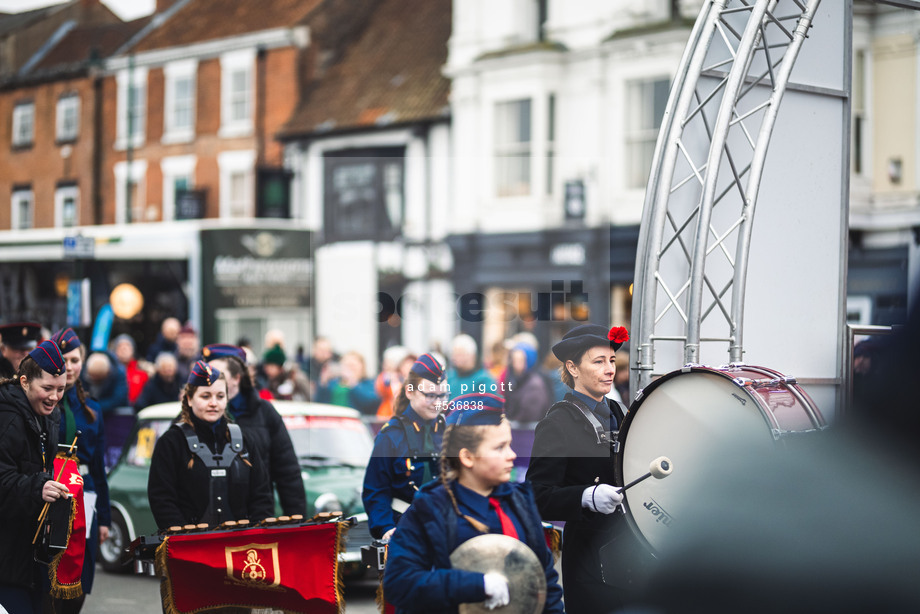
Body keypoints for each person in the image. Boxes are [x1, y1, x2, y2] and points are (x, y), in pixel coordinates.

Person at [383, 393, 564, 614]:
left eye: (510, 444)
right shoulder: (429, 508)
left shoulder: (520, 502)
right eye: (499, 448)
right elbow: (399, 582)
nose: (512, 455)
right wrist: (477, 586)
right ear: (467, 457)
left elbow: (544, 581)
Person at [527, 323, 646, 614]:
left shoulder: (620, 412)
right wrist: (586, 496)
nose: (610, 370)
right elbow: (536, 495)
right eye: (599, 362)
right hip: (590, 562)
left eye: (612, 361)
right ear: (573, 368)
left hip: (631, 553)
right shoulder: (557, 423)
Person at [147, 361, 274, 530]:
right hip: (190, 547)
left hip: (241, 546)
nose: (214, 403)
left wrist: (255, 534)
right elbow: (162, 499)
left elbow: (262, 497)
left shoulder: (245, 441)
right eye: (205, 396)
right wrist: (185, 539)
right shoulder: (171, 442)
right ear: (190, 399)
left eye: (220, 396)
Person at [0, 340, 68, 614]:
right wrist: (38, 488)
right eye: (47, 388)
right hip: (6, 556)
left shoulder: (48, 416)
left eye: (61, 389)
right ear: (25, 381)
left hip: (29, 551)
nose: (54, 397)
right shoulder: (8, 419)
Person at [47, 328, 110, 614]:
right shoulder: (43, 403)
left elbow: (98, 469)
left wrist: (105, 519)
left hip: (86, 500)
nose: (68, 367)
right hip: (50, 495)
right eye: (63, 360)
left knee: (80, 583)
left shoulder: (92, 410)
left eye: (74, 360)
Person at [201, 343, 306, 516]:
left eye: (218, 374)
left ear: (237, 377)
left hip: (255, 520)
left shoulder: (264, 413)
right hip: (204, 524)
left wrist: (296, 522)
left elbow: (287, 473)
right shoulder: (192, 414)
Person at [362, 353, 448, 540]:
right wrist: (385, 528)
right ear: (410, 392)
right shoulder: (390, 435)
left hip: (445, 530)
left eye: (442, 395)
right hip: (404, 530)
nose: (437, 403)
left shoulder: (448, 431)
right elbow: (375, 490)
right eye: (430, 395)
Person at [316, 350, 380, 415]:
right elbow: (319, 403)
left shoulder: (368, 383)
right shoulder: (333, 383)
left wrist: (353, 383)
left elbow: (371, 404)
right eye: (346, 365)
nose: (349, 369)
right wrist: (323, 382)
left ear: (362, 367)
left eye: (352, 366)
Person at [503, 342, 554, 423]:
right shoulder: (513, 379)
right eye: (514, 359)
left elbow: (528, 416)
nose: (515, 364)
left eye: (520, 360)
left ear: (528, 361)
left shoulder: (535, 385)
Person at [445, 334, 495, 400]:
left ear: (472, 356)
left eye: (461, 354)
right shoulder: (449, 377)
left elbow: (488, 405)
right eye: (454, 354)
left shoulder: (485, 380)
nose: (456, 358)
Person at [112, 334, 150, 406]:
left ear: (133, 350)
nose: (124, 349)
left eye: (127, 346)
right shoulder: (110, 372)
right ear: (115, 351)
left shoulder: (142, 372)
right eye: (120, 346)